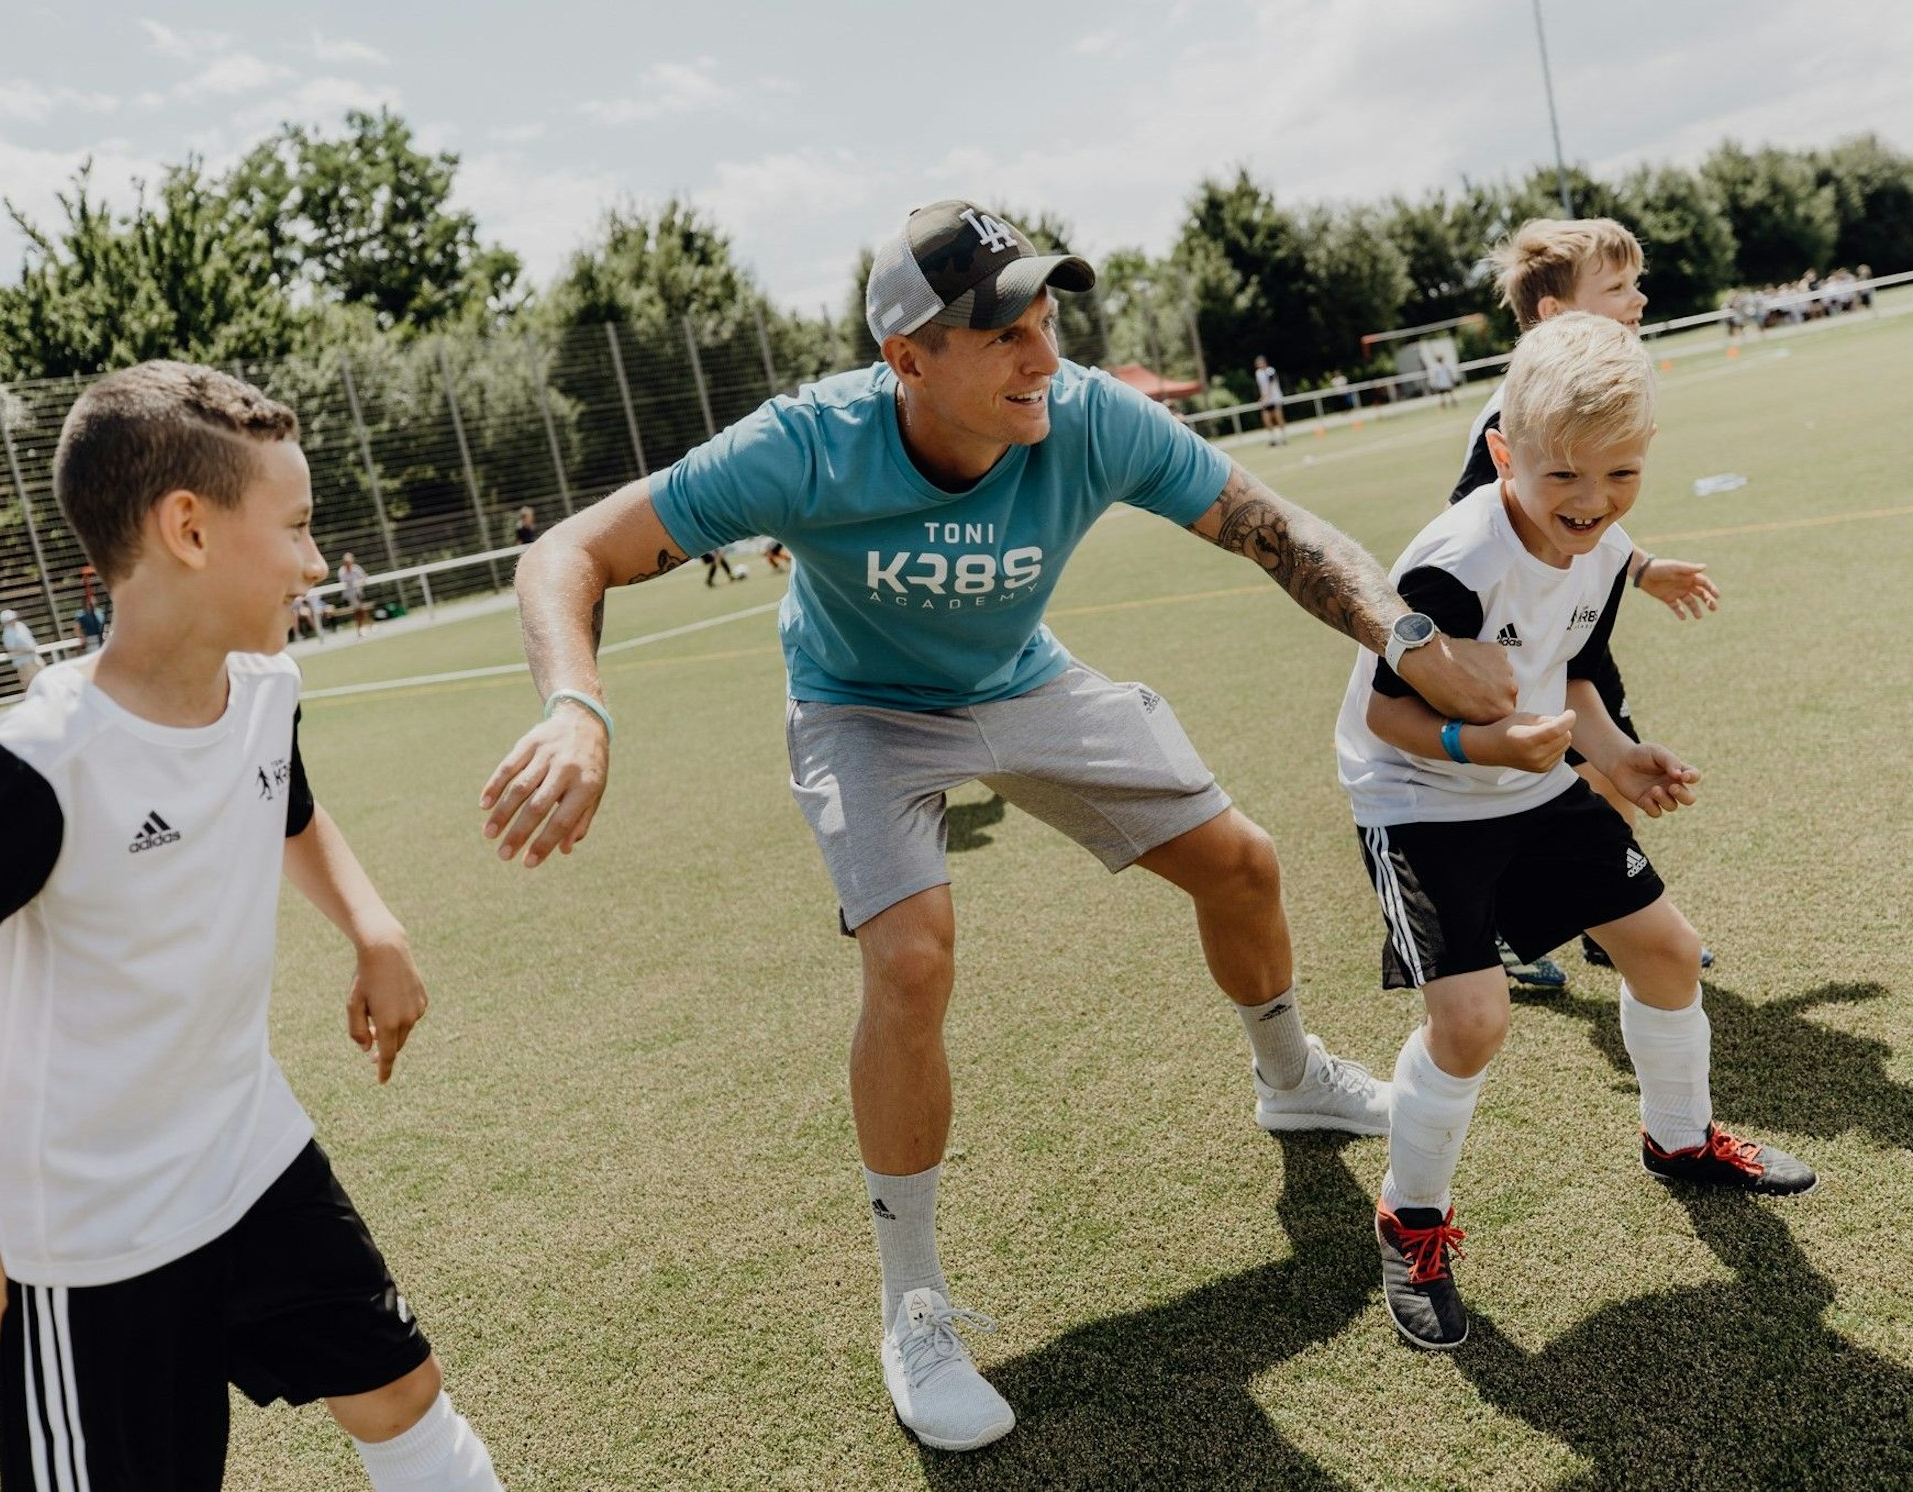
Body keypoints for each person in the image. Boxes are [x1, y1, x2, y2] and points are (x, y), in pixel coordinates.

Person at [478, 199, 1516, 1451]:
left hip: (1021, 680)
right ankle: (911, 1299)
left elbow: (1273, 530)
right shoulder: (804, 446)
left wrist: (1409, 638)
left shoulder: (1083, 414)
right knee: (910, 954)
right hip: (858, 708)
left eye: (1045, 320)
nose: (1040, 357)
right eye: (999, 334)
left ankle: (1288, 1079)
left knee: (1241, 865)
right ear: (905, 359)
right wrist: (576, 709)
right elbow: (568, 554)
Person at [0, 362, 501, 1490]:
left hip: (248, 1150)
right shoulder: (43, 766)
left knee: (401, 1393)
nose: (317, 562)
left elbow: (286, 801)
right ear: (187, 528)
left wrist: (372, 928)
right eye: (295, 527)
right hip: (91, 1242)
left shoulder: (263, 691)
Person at [1338, 311, 1815, 1353]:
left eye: (1621, 477)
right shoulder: (1450, 562)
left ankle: (1678, 1140)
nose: (1591, 505)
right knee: (1469, 1025)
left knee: (1667, 953)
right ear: (1503, 453)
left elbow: (1578, 672)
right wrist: (1483, 749)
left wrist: (1609, 757)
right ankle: (1408, 1220)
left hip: (1534, 778)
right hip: (1418, 801)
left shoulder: (1602, 546)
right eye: (1562, 478)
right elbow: (1386, 714)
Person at [1454, 217, 1720, 986]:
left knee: (1610, 760)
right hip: (1523, 643)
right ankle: (1506, 927)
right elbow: (1491, 526)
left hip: (1574, 632)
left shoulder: (1592, 398)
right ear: (1557, 316)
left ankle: (1611, 923)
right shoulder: (1516, 413)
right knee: (1532, 788)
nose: (1638, 300)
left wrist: (1638, 568)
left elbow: (1583, 519)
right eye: (1618, 288)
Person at [0, 610, 42, 690]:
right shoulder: (7, 634)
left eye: (13, 618)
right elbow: (10, 649)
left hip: (35, 657)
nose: (13, 621)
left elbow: (30, 640)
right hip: (23, 663)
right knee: (31, 686)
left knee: (43, 678)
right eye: (10, 620)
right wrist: (25, 650)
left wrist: (31, 649)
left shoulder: (21, 625)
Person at [1253, 354, 1287, 446]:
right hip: (1266, 399)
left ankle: (1283, 437)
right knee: (1266, 419)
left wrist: (1265, 398)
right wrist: (1263, 398)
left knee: (1278, 417)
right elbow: (1262, 388)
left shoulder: (1270, 371)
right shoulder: (1258, 373)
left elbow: (1270, 386)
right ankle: (1273, 438)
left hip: (1275, 399)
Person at [339, 553, 372, 635]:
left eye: (349, 561)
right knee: (359, 611)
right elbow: (345, 582)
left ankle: (364, 627)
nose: (348, 563)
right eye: (346, 562)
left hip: (358, 593)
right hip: (350, 595)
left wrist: (362, 580)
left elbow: (364, 576)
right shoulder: (342, 571)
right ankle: (363, 628)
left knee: (361, 610)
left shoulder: (356, 568)